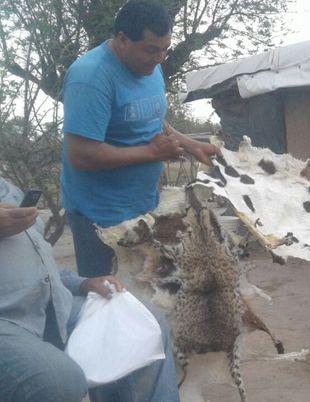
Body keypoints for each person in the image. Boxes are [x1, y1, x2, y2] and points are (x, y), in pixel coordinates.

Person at [61, 0, 220, 279]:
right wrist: (151, 153)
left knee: (151, 299)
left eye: (164, 50)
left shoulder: (151, 67)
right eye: (151, 50)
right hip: (101, 220)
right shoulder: (90, 78)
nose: (160, 58)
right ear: (123, 39)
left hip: (145, 207)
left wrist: (192, 145)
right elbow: (81, 155)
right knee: (112, 305)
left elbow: (151, 120)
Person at [0, 177, 179, 402]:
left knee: (147, 324)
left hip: (52, 305)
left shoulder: (7, 189)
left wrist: (81, 283)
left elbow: (35, 260)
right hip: (7, 318)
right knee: (58, 380)